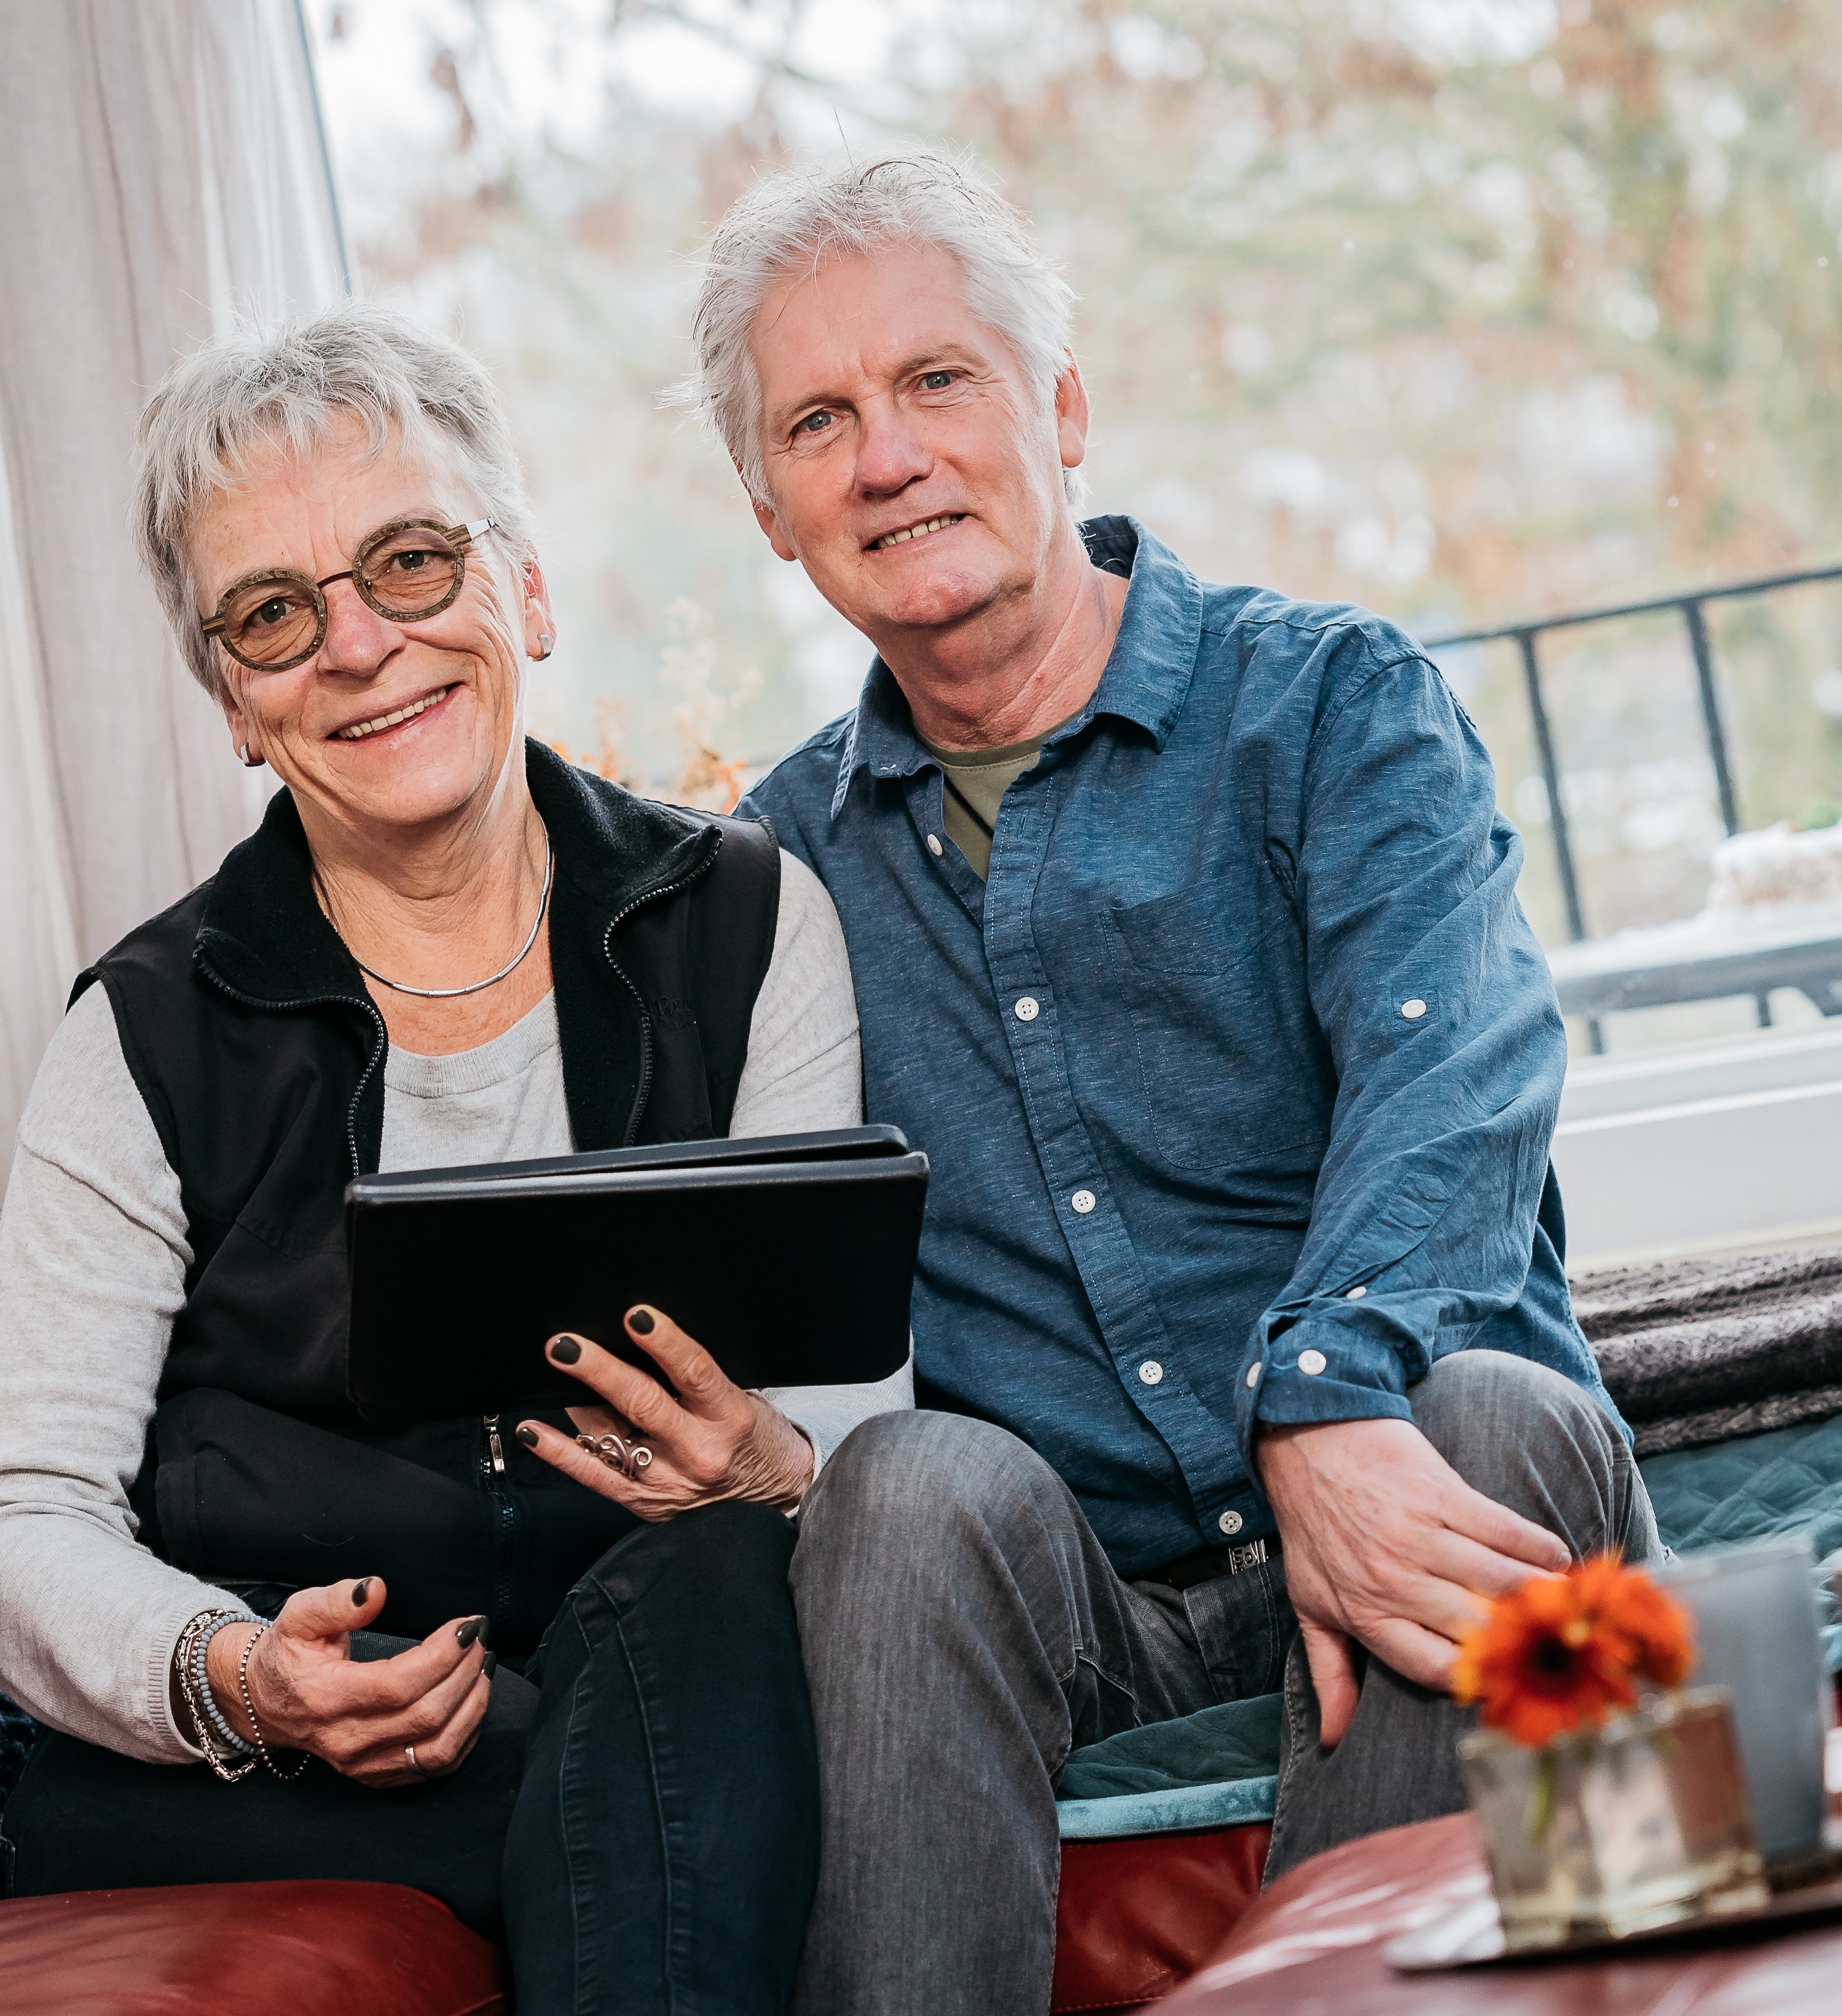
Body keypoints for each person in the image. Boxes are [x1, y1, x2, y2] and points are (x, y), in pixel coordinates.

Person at [697, 155, 1660, 2013]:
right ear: (772, 511)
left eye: (939, 381)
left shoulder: (1332, 708)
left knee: (1499, 1415)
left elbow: (1457, 1081)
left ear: (1060, 408)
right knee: (901, 1490)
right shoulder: (777, 871)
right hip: (1094, 1607)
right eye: (821, 421)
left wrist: (1325, 1394)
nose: (886, 455)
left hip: (1408, 1455)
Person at [0, 300, 902, 2016]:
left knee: (699, 1614)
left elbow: (850, 1419)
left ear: (523, 590)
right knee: (681, 1783)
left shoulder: (746, 919)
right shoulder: (141, 1034)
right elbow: (16, 1520)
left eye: (409, 561)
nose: (359, 644)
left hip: (680, 1656)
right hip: (285, 1750)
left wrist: (768, 1459)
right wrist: (235, 1672)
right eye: (273, 611)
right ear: (234, 698)